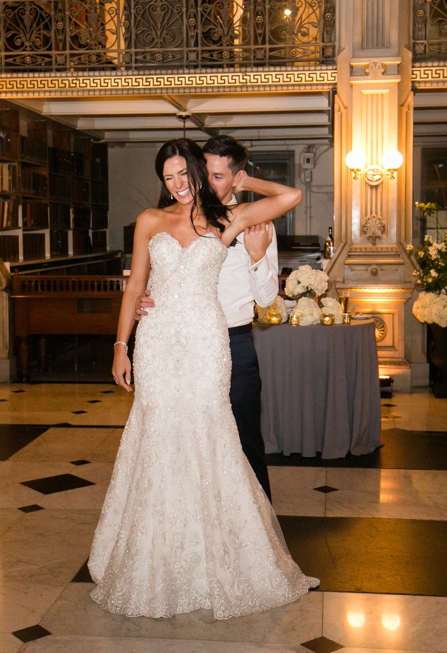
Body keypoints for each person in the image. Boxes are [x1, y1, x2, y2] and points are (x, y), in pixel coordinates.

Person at [90, 139, 317, 619]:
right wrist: (120, 345)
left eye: (183, 174)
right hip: (156, 342)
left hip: (207, 341)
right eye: (168, 177)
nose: (177, 184)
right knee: (159, 435)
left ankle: (219, 553)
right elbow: (135, 285)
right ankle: (160, 555)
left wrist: (241, 179)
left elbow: (291, 197)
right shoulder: (151, 222)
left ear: (197, 171)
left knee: (211, 435)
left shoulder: (227, 220)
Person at [135, 135, 279, 499]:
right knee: (187, 437)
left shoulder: (250, 220)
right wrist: (147, 302)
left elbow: (266, 298)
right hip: (180, 342)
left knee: (243, 439)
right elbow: (155, 275)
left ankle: (257, 531)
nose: (205, 182)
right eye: (203, 172)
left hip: (232, 339)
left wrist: (257, 255)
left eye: (217, 176)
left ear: (235, 178)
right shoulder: (171, 219)